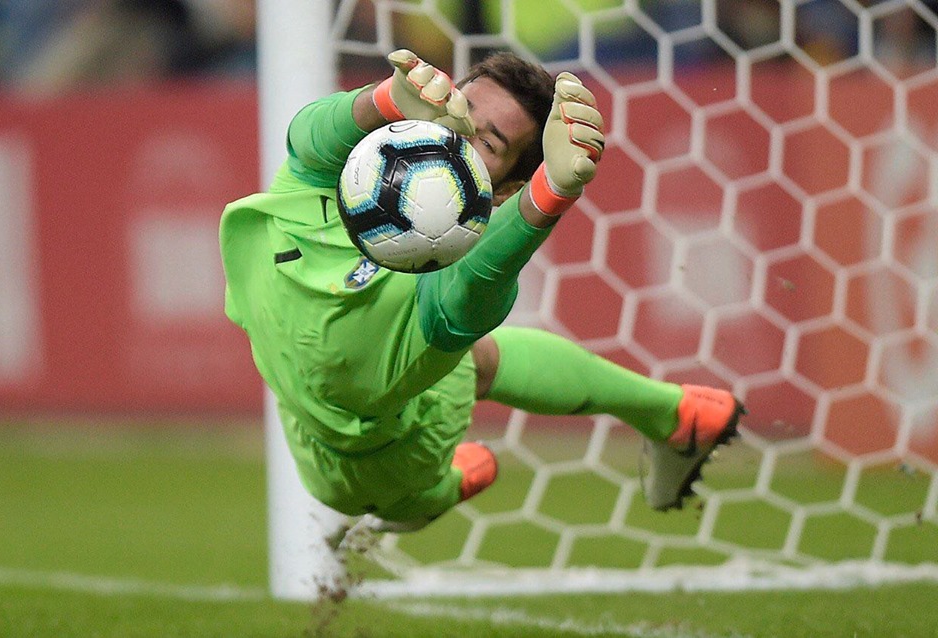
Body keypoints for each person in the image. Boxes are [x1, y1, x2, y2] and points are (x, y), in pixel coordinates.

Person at [219, 49, 744, 533]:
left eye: (485, 143)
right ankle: (679, 414)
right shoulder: (346, 173)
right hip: (321, 382)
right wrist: (386, 99)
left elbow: (478, 282)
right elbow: (308, 141)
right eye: (462, 112)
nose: (454, 139)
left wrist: (551, 193)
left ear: (505, 191)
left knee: (368, 492)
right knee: (480, 361)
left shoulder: (440, 295)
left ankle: (442, 489)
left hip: (382, 458)